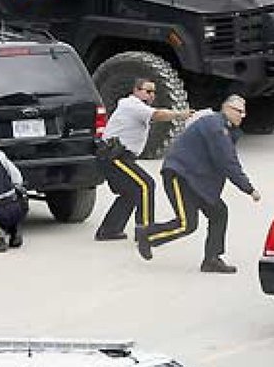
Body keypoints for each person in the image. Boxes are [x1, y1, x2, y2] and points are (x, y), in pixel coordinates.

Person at [137, 95, 260, 273]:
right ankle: (147, 234)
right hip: (179, 175)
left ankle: (212, 259)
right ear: (227, 110)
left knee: (219, 213)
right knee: (186, 224)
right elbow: (227, 162)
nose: (243, 115)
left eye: (244, 111)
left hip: (195, 179)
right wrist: (249, 189)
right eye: (239, 111)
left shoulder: (223, 127)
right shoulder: (217, 128)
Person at [94, 78, 192, 241]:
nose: (151, 95)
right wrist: (180, 114)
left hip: (120, 156)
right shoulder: (131, 104)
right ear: (136, 91)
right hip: (114, 155)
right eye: (147, 91)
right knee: (146, 184)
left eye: (153, 92)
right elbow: (158, 115)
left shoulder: (137, 107)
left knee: (131, 192)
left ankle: (109, 230)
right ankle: (145, 231)